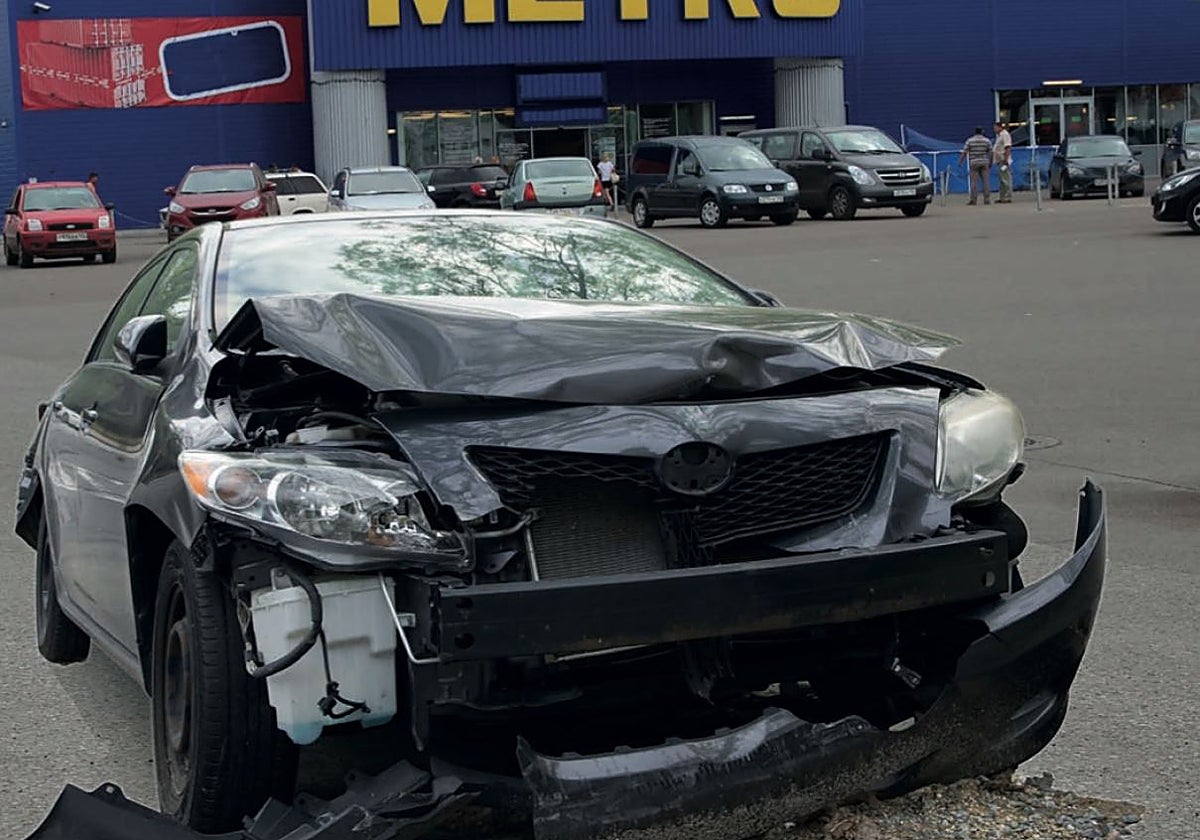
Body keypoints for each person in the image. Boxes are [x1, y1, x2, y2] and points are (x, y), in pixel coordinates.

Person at [958, 126, 992, 206]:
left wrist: (960, 161)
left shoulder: (970, 140)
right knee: (986, 181)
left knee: (974, 182)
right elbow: (991, 152)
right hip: (984, 162)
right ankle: (986, 199)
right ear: (982, 132)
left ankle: (973, 200)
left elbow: (965, 152)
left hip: (974, 162)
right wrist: (990, 162)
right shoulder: (987, 141)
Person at [993, 121, 1013, 204]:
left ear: (1000, 127)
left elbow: (1007, 147)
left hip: (1003, 160)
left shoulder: (1005, 135)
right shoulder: (999, 136)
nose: (994, 129)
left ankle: (1007, 197)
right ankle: (1002, 197)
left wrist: (1006, 159)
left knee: (1006, 179)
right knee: (1002, 180)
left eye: (995, 127)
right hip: (999, 160)